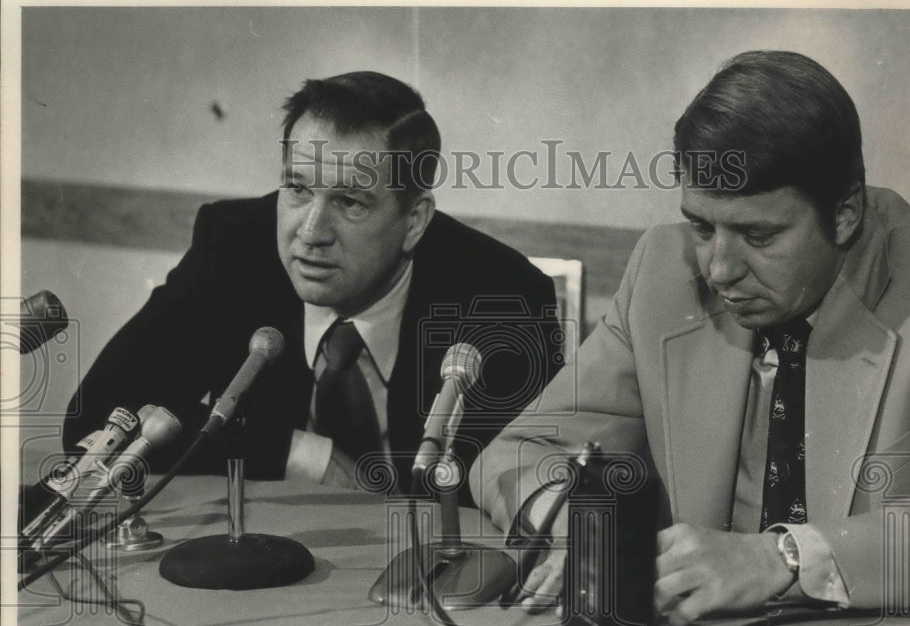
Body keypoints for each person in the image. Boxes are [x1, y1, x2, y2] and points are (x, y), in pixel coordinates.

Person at [472, 51, 910, 626]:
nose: (719, 269)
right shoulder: (661, 268)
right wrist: (582, 523)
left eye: (758, 235)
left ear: (845, 213)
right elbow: (516, 450)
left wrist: (778, 558)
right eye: (702, 227)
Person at [64, 71, 561, 496]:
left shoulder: (504, 296)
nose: (310, 233)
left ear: (413, 221)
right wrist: (295, 453)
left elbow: (522, 483)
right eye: (298, 189)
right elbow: (99, 420)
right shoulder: (233, 248)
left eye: (350, 202)